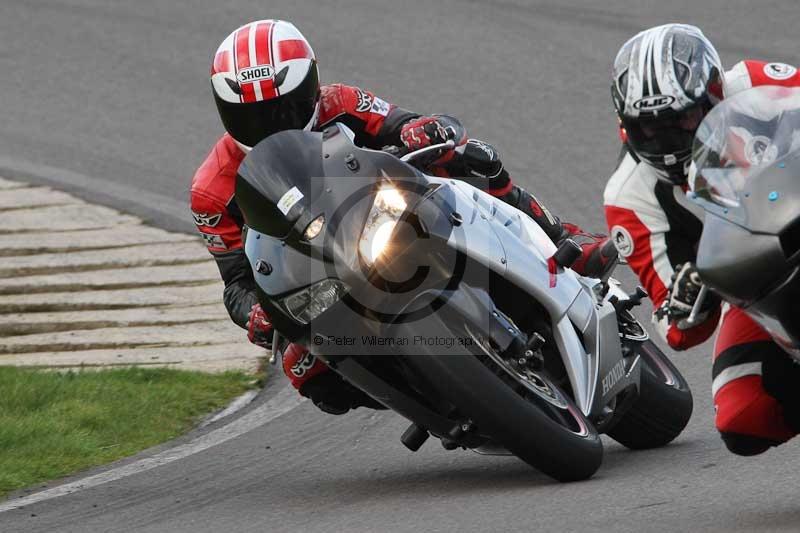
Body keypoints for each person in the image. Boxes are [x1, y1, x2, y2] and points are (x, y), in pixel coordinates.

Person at [192, 19, 616, 415]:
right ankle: (433, 401)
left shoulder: (338, 101)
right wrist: (254, 313)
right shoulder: (211, 192)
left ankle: (567, 243)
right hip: (320, 277)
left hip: (392, 217)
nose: (271, 127)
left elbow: (404, 124)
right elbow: (236, 283)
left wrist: (425, 129)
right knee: (306, 370)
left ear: (310, 86)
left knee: (473, 159)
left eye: (282, 110)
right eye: (251, 117)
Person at [604, 23, 800, 455]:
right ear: (626, 128)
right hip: (759, 283)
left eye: (684, 120)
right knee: (743, 415)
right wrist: (690, 294)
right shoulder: (628, 197)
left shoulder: (756, 82)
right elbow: (674, 324)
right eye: (651, 130)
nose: (672, 141)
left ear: (715, 93)